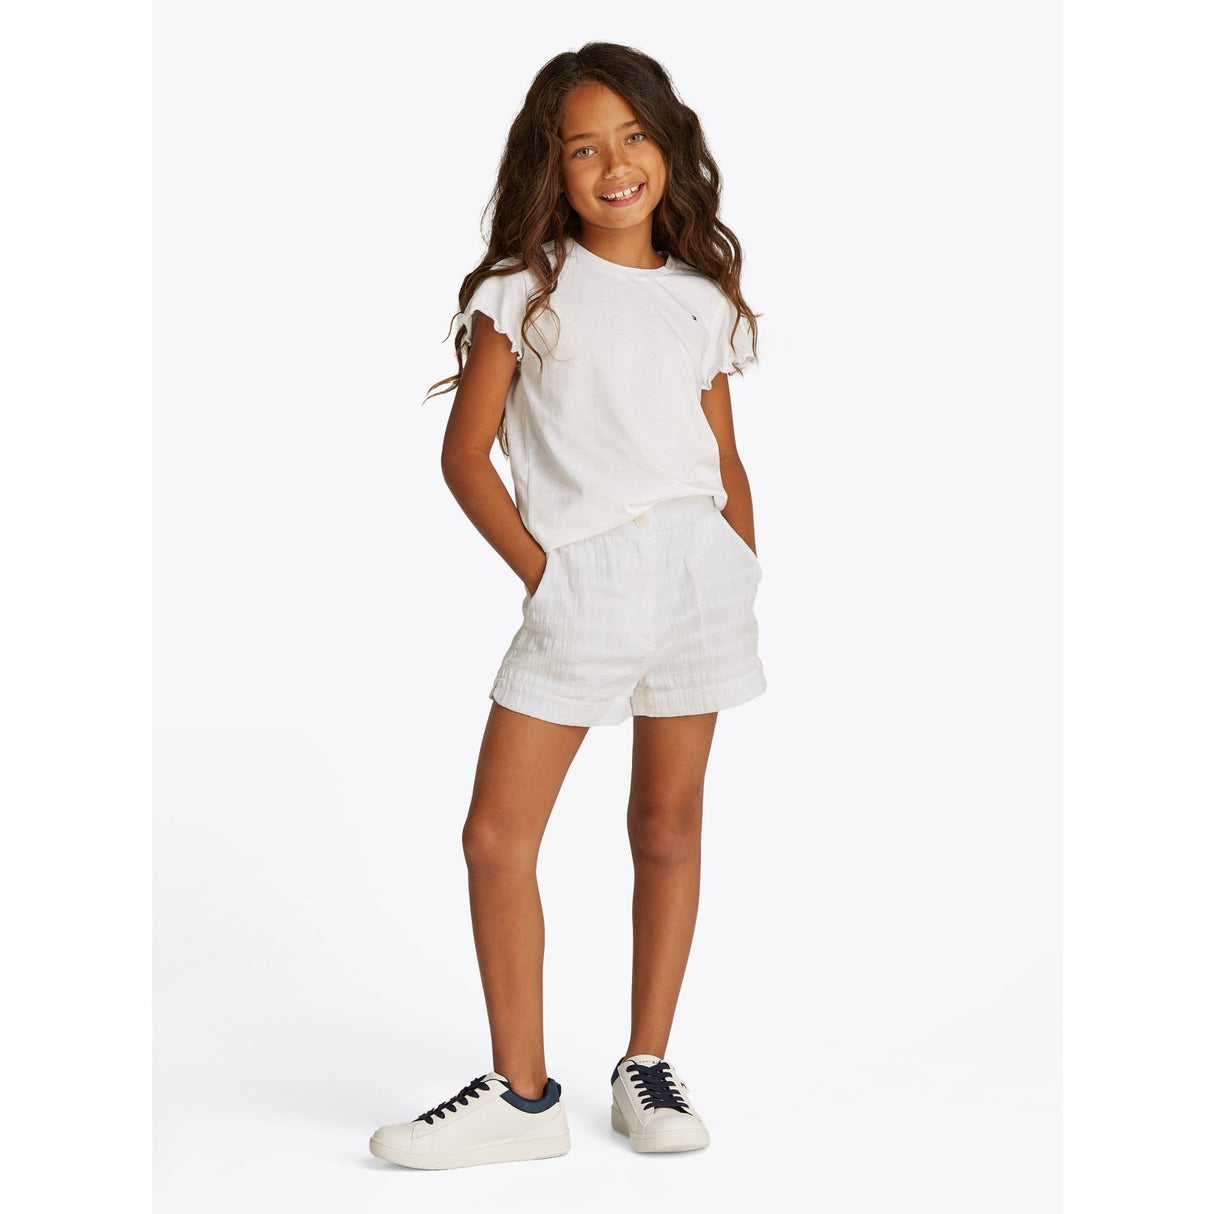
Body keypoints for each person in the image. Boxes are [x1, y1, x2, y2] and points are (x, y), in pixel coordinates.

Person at [369, 41, 766, 1171]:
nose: (614, 164)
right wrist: (546, 576)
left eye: (632, 137)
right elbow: (465, 458)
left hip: (698, 577)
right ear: (551, 168)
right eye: (583, 148)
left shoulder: (701, 299)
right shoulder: (522, 288)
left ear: (668, 146)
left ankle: (647, 1064)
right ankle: (524, 1091)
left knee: (668, 825)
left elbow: (724, 457)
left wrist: (741, 565)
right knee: (497, 836)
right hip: (582, 575)